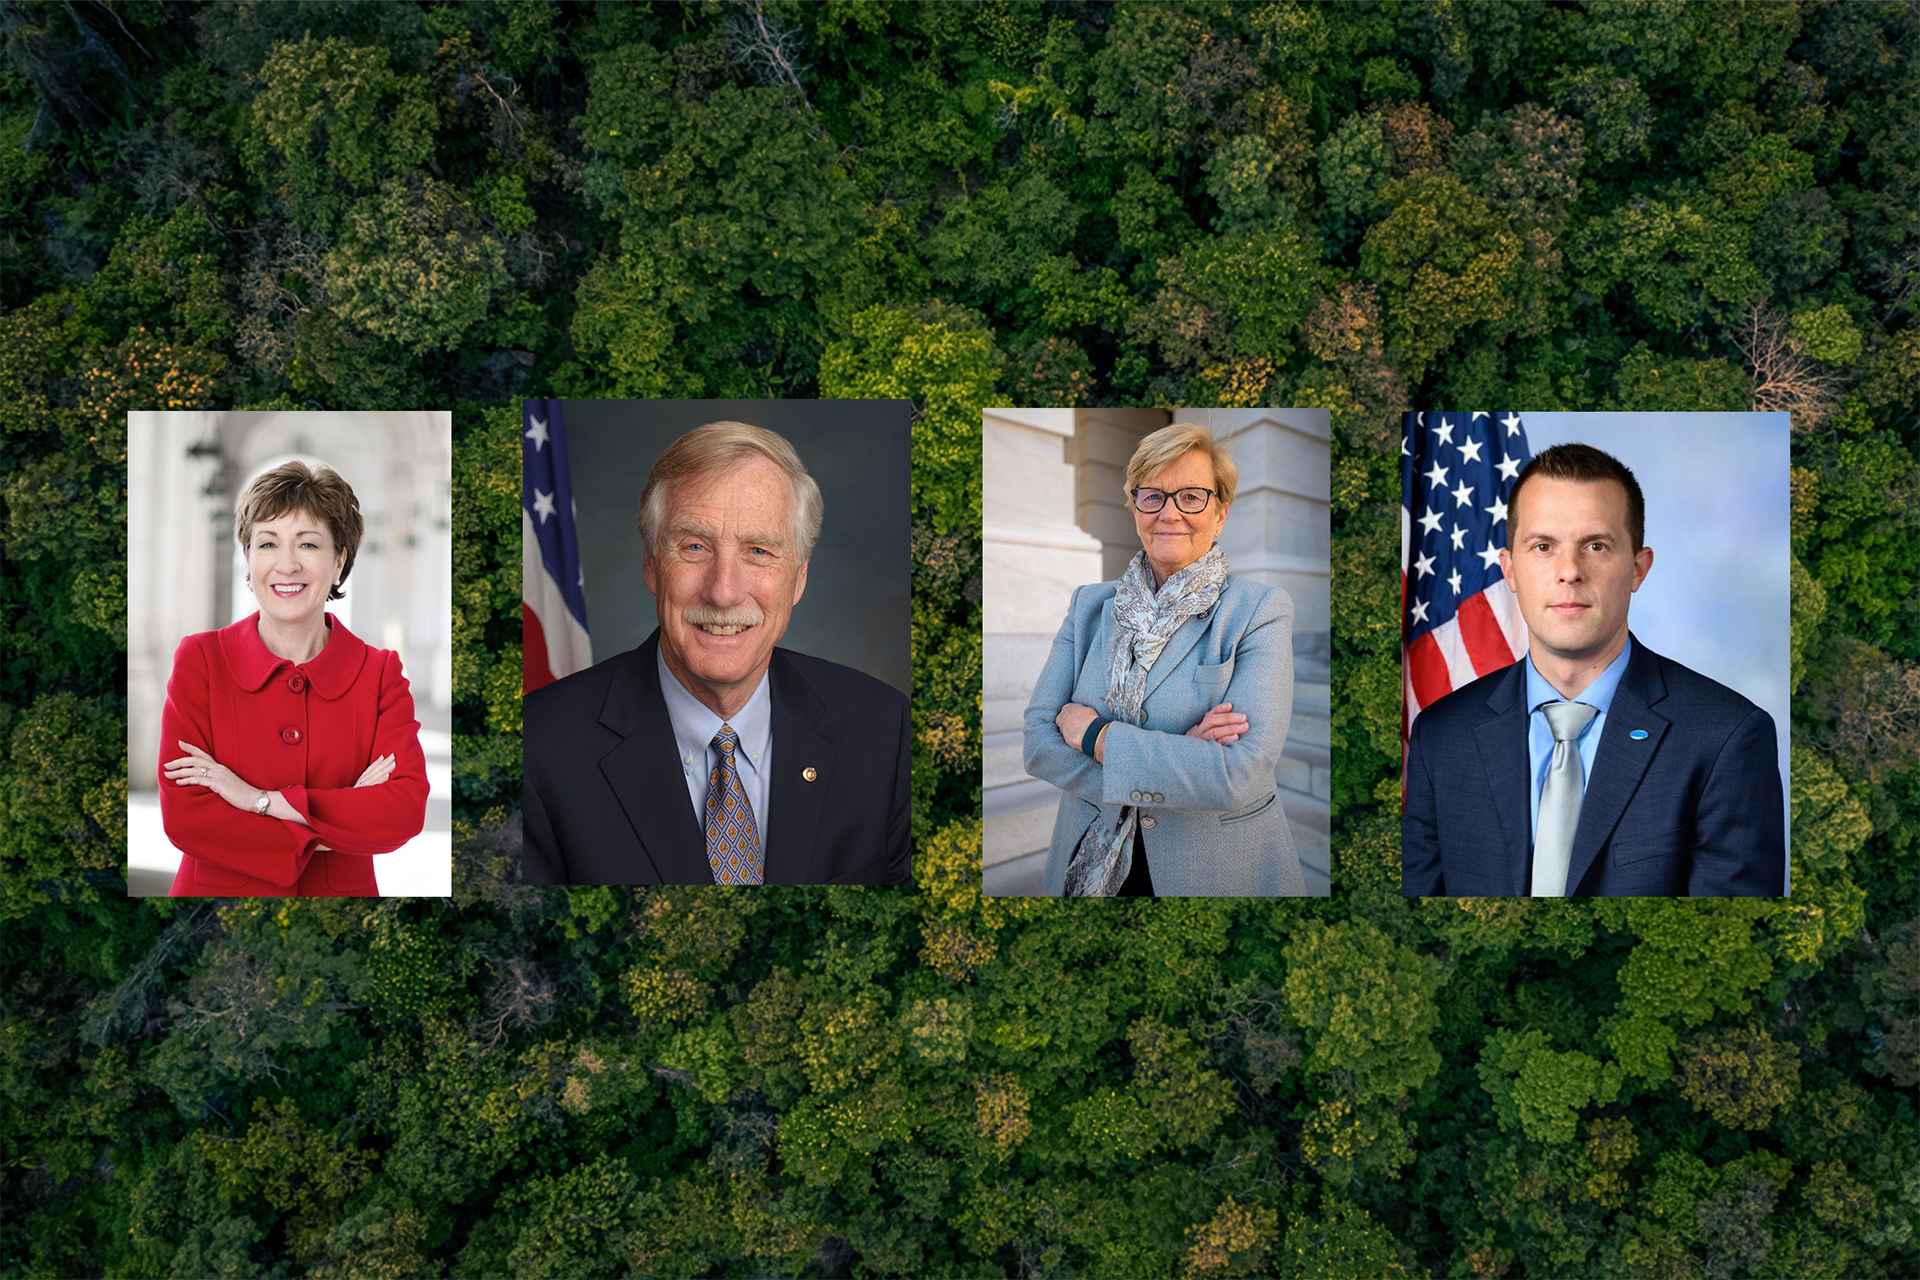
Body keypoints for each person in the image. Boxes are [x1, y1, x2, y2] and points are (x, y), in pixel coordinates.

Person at [521, 421, 910, 885]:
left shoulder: (883, 730)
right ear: (651, 565)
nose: (723, 592)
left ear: (799, 578)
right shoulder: (539, 747)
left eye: (759, 551)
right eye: (695, 546)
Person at [1401, 442, 1786, 897]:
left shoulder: (1728, 738)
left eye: (1596, 546)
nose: (1570, 571)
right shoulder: (1440, 736)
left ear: (1638, 570)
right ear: (1509, 571)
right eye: (1543, 546)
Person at [1021, 423, 1304, 897]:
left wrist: (1095, 735)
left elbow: (1238, 772)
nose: (1170, 513)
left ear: (1221, 513)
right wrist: (1182, 758)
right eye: (1152, 496)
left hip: (1216, 870)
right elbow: (1038, 742)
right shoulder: (1089, 607)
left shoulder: (1259, 611)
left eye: (1191, 496)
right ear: (1135, 509)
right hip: (1090, 865)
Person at [160, 462, 428, 896]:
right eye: (267, 543)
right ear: (248, 558)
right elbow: (186, 816)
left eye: (307, 544)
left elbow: (403, 812)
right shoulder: (201, 660)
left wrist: (256, 801)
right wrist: (335, 825)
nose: (286, 565)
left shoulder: (380, 674)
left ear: (339, 560)